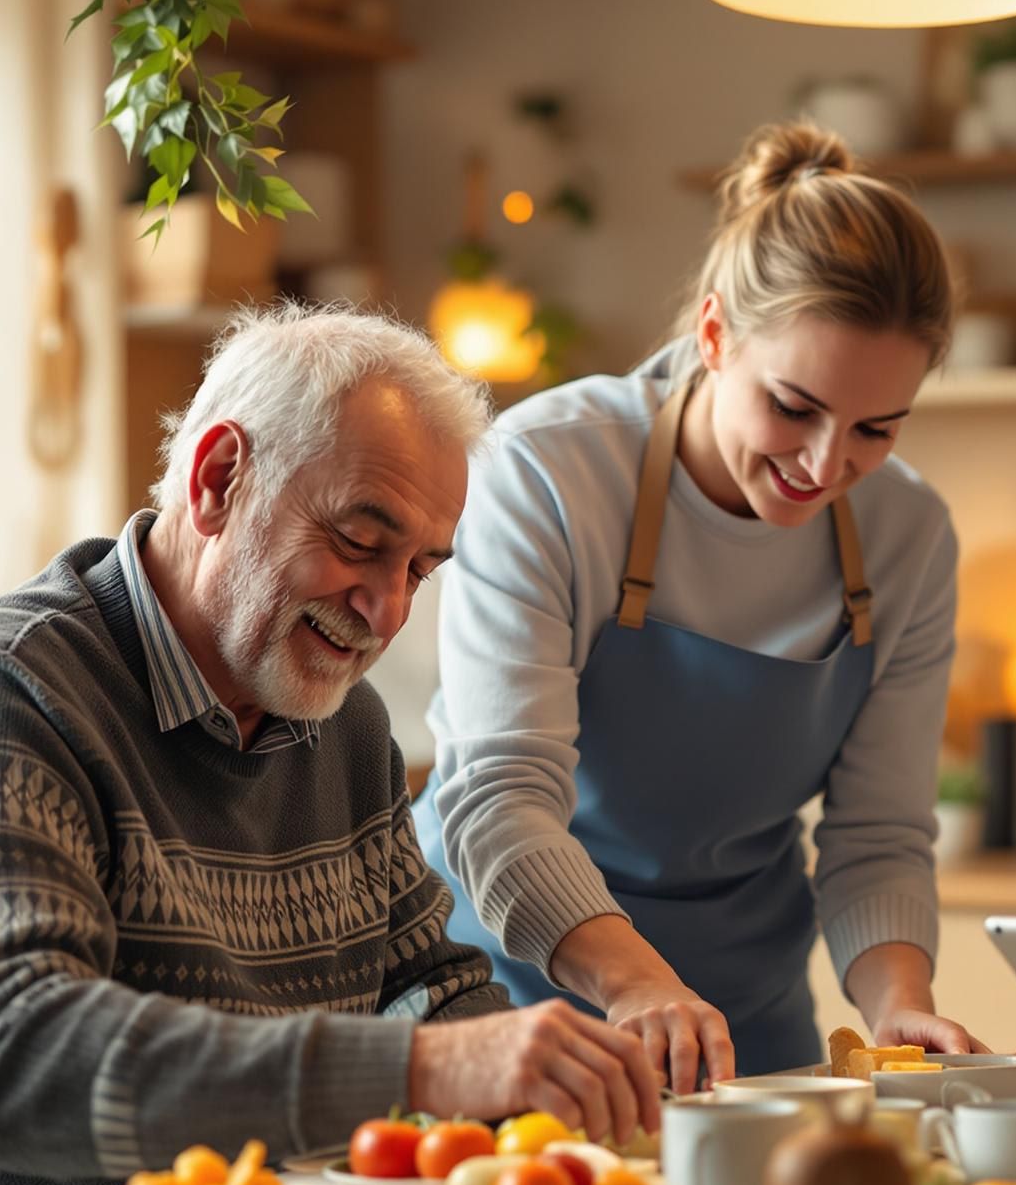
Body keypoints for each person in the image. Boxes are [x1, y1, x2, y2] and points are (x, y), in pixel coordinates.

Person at [0, 305, 662, 1185]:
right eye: (360, 543)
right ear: (216, 479)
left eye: (419, 568)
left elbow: (430, 982)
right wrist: (428, 1068)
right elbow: (0, 1060)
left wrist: (547, 1091)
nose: (387, 612)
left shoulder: (341, 725)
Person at [418, 121, 983, 1089]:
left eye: (876, 427)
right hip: (507, 996)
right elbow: (498, 798)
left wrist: (900, 1008)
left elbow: (878, 832)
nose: (824, 464)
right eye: (793, 406)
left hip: (742, 1017)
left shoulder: (909, 536)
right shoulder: (550, 470)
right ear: (714, 334)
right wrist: (636, 985)